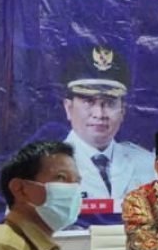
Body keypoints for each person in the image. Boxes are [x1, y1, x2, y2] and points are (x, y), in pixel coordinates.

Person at [60, 44, 152, 212]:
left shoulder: (148, 164)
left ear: (123, 110)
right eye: (89, 102)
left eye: (109, 103)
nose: (99, 114)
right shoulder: (43, 167)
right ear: (68, 107)